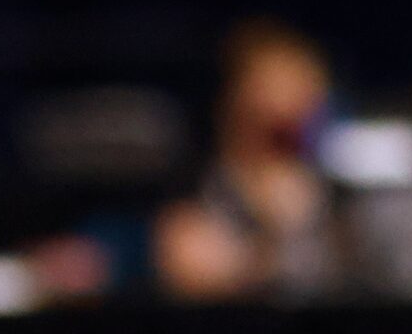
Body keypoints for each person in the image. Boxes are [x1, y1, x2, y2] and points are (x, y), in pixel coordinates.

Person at [150, 20, 349, 301]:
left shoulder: (337, 195)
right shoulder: (196, 189)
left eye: (308, 90)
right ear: (234, 101)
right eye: (274, 87)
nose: (291, 110)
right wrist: (271, 237)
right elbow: (191, 273)